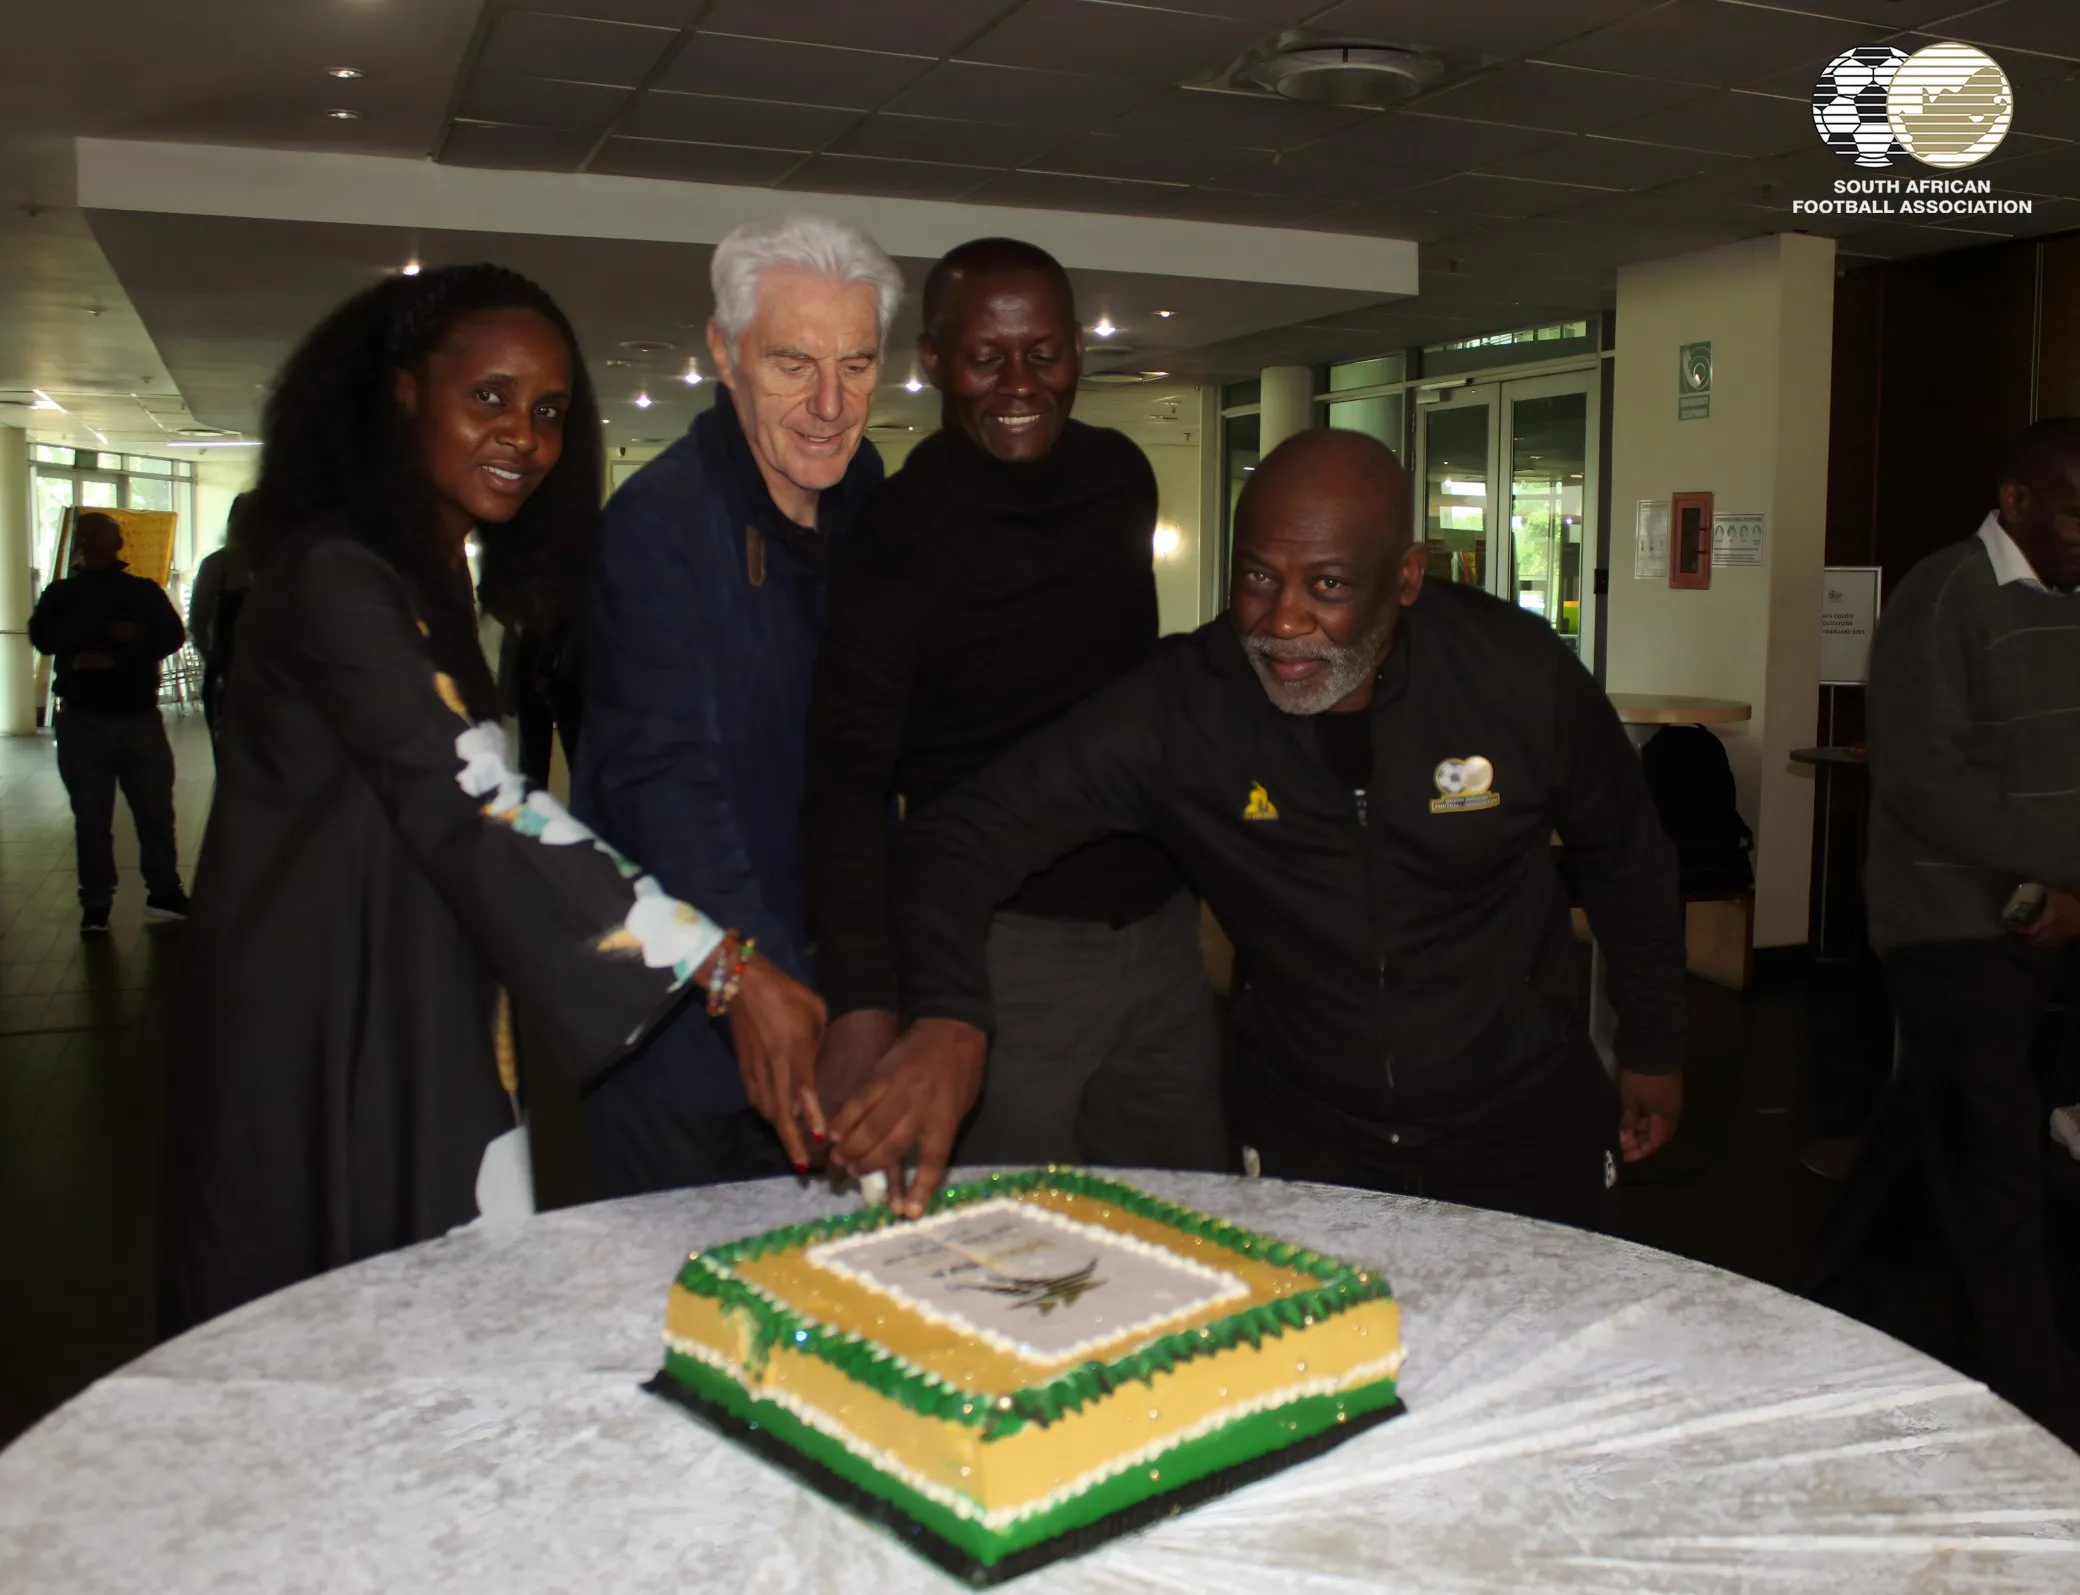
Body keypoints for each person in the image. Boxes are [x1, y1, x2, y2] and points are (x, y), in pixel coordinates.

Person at [159, 264, 828, 1335]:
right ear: (401, 390)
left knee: (430, 1304)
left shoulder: (421, 578)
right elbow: (477, 793)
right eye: (490, 396)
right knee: (324, 1319)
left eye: (550, 410)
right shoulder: (335, 574)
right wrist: (723, 963)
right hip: (321, 1017)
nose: (525, 434)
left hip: (414, 989)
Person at [830, 428, 1688, 1224]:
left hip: (1522, 1119)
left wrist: (1651, 1043)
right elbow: (962, 834)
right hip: (1309, 1138)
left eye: (1328, 585)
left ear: (1406, 577)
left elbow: (1627, 854)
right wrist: (949, 1016)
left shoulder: (1516, 674)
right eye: (1256, 577)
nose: (1281, 620)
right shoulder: (1185, 708)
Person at [805, 237, 1222, 1172]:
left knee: (1184, 1220)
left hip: (1159, 935)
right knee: (1003, 1247)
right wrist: (863, 996)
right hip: (1002, 951)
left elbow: (1132, 704)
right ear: (934, 362)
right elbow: (845, 779)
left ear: (1078, 349)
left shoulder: (1123, 478)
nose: (1018, 382)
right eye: (985, 358)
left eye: (1043, 352)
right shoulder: (900, 535)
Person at [574, 215, 899, 1195]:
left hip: (831, 1001)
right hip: (687, 1021)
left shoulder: (867, 496)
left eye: (857, 362)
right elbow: (660, 782)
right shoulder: (659, 525)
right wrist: (759, 972)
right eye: (793, 363)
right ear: (722, 353)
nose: (831, 404)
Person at [1817, 416, 2080, 1446]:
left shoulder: (2067, 607)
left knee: (1935, 1141)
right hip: (1953, 929)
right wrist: (2051, 880)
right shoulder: (1942, 597)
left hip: (2039, 918)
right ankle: (2039, 1408)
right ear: (2014, 500)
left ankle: (1831, 1301)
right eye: (2074, 510)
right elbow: (1928, 784)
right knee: (1998, 1174)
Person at [28, 510, 191, 932]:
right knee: (118, 812)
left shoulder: (73, 595)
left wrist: (122, 643)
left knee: (125, 813)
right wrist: (117, 635)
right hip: (111, 715)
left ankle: (116, 900)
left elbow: (172, 636)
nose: (96, 544)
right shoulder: (126, 593)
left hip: (116, 714)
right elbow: (42, 636)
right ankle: (136, 895)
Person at [187, 493, 254, 742]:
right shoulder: (217, 566)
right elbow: (198, 621)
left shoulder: (287, 565)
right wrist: (217, 662)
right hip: (229, 676)